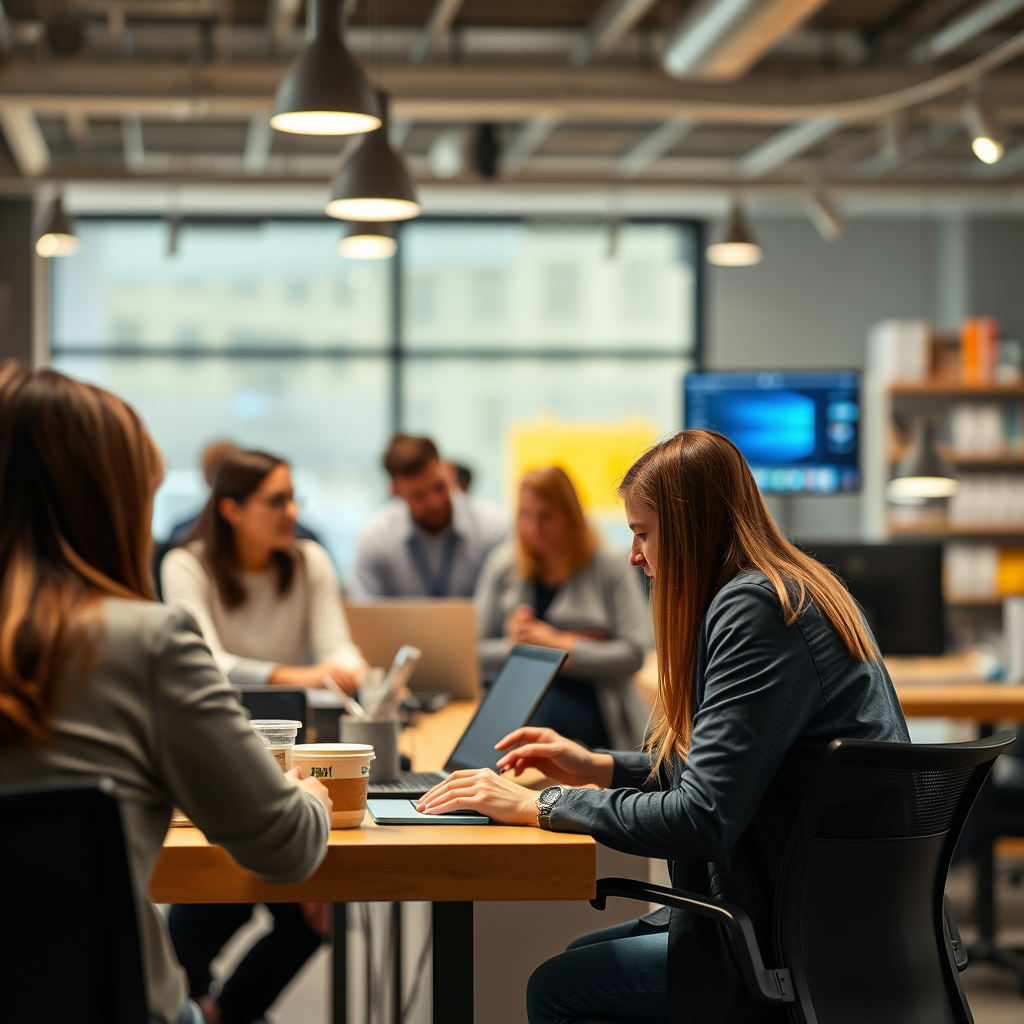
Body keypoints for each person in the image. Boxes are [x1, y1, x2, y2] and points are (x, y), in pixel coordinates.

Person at [416, 430, 910, 1024]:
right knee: (580, 958)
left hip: (796, 935)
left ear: (690, 530)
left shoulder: (754, 610)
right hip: (833, 913)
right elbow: (727, 772)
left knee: (558, 987)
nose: (634, 555)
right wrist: (597, 766)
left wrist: (544, 805)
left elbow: (701, 817)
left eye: (642, 533)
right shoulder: (792, 585)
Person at [0, 363, 332, 1024]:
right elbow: (284, 846)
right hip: (108, 1003)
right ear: (112, 504)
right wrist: (309, 793)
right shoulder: (146, 642)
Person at [476, 466, 652, 751]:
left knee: (534, 720)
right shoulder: (503, 565)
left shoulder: (608, 563)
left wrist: (560, 646)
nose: (533, 528)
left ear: (570, 516)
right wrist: (516, 648)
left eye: (545, 516)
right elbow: (472, 652)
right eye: (525, 516)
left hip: (595, 705)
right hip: (517, 699)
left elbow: (634, 654)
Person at [162, 448, 366, 691]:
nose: (292, 512)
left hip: (293, 718)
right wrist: (297, 678)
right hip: (222, 711)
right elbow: (205, 662)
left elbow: (335, 646)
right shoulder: (185, 565)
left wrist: (358, 674)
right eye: (276, 501)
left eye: (292, 499)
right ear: (232, 511)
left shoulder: (311, 559)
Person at [349, 434, 508, 599]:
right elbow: (366, 615)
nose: (435, 502)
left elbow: (502, 612)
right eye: (419, 496)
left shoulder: (492, 526)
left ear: (449, 471)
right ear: (396, 492)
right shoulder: (375, 538)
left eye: (439, 487)